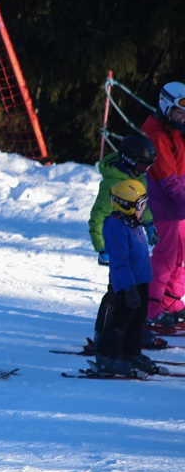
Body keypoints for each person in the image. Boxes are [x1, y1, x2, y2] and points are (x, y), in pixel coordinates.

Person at [87, 134, 158, 349]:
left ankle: (131, 332)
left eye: (148, 166)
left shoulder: (137, 176)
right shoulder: (112, 184)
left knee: (134, 291)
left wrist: (149, 223)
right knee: (116, 292)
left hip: (133, 241)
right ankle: (103, 335)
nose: (145, 170)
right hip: (117, 243)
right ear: (129, 160)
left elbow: (141, 205)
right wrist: (101, 247)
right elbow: (97, 217)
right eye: (143, 165)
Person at [93, 180, 155, 376]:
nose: (143, 209)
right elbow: (120, 263)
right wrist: (129, 289)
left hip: (141, 281)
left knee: (137, 320)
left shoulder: (133, 223)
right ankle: (107, 357)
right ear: (127, 206)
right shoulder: (117, 228)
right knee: (120, 321)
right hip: (127, 286)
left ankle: (130, 352)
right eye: (140, 205)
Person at [141, 82, 185, 327]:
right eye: (179, 112)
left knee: (181, 256)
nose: (183, 117)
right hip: (164, 208)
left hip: (179, 208)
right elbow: (169, 182)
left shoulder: (177, 131)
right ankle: (151, 306)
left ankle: (170, 300)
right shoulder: (158, 136)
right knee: (165, 257)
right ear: (166, 107)